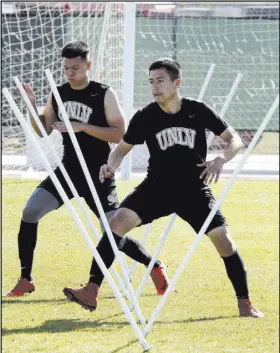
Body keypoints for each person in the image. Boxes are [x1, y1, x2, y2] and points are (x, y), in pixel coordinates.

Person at [63, 58, 264, 318]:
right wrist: (109, 165)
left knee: (223, 240)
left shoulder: (197, 110)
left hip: (194, 189)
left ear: (176, 83)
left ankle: (245, 303)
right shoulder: (145, 116)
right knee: (116, 223)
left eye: (160, 81)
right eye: (150, 82)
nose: (154, 87)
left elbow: (233, 139)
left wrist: (221, 159)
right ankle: (91, 290)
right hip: (156, 187)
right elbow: (121, 150)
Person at [7, 41, 165, 297]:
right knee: (30, 211)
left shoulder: (103, 93)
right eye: (66, 68)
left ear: (88, 65)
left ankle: (154, 265)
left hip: (98, 172)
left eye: (76, 68)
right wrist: (31, 105)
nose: (71, 74)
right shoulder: (58, 92)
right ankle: (26, 278)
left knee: (111, 228)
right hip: (69, 170)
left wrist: (82, 126)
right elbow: (44, 130)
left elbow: (119, 134)